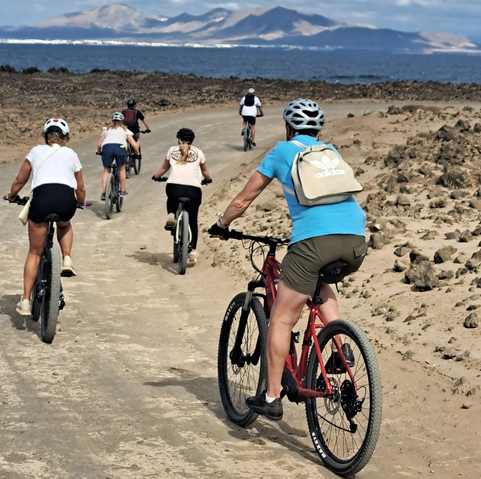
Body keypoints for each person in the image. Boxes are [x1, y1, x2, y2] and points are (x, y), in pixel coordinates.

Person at [210, 99, 367, 420]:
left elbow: (243, 200)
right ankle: (339, 344)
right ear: (318, 130)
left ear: (288, 127)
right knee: (320, 282)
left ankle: (270, 397)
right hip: (355, 240)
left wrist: (221, 225)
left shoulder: (282, 151)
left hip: (314, 243)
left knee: (281, 319)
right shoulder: (330, 152)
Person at [6, 118, 86, 316]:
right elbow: (80, 187)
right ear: (65, 138)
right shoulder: (71, 154)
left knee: (34, 251)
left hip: (41, 200)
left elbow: (20, 180)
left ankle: (25, 300)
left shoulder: (35, 151)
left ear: (45, 136)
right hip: (65, 200)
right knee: (64, 224)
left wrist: (12, 196)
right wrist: (81, 202)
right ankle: (67, 258)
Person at [151, 128, 212, 265]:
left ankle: (171, 214)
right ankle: (192, 251)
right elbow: (206, 172)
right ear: (193, 140)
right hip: (193, 189)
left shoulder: (172, 150)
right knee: (192, 220)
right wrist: (208, 180)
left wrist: (156, 177)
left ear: (178, 139)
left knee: (171, 199)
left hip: (174, 187)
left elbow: (164, 169)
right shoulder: (199, 152)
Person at [97, 112, 140, 199]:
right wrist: (137, 153)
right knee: (121, 168)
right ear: (122, 120)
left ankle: (104, 193)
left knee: (106, 170)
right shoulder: (125, 130)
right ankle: (122, 190)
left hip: (107, 147)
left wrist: (99, 151)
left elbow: (99, 144)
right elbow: (134, 144)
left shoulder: (106, 130)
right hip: (120, 148)